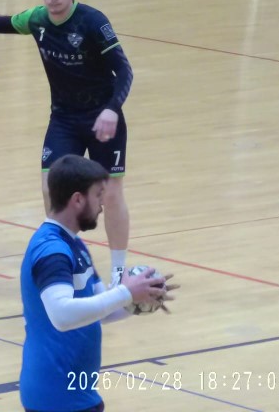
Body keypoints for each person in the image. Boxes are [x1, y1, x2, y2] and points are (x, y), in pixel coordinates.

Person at [0, 0, 134, 286]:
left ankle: (118, 271)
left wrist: (112, 110)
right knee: (51, 187)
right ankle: (67, 259)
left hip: (103, 118)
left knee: (111, 194)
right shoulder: (36, 19)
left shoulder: (92, 22)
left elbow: (125, 71)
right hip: (64, 119)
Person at [20, 155, 177, 412]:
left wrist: (139, 298)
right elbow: (61, 315)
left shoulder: (74, 245)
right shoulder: (52, 250)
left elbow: (100, 311)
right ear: (77, 200)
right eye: (98, 195)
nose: (102, 204)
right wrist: (126, 292)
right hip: (56, 398)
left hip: (76, 394)